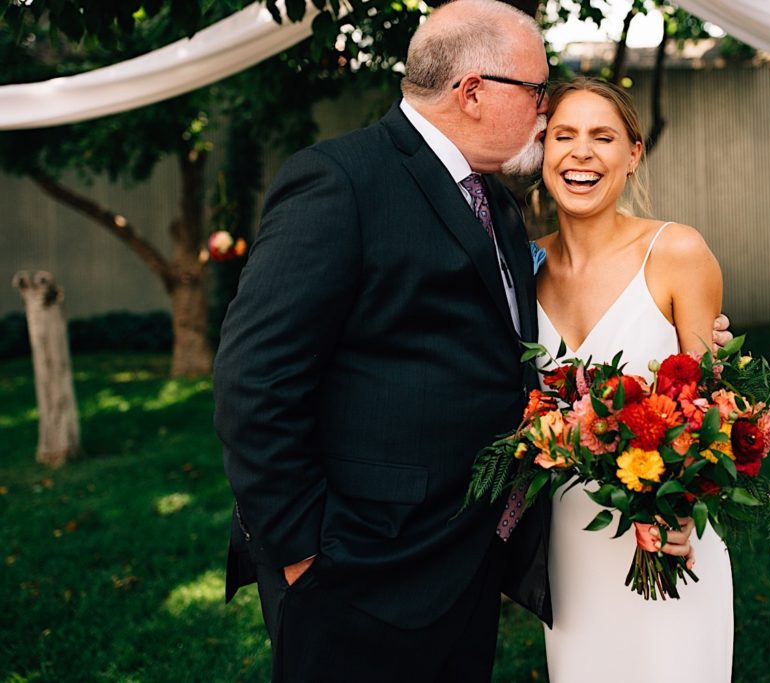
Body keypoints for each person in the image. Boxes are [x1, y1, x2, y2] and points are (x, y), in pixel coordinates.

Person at [215, 0, 730, 679]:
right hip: (356, 570)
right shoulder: (342, 181)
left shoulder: (499, 213)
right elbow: (255, 379)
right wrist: (301, 553)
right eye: (539, 93)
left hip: (463, 567)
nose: (546, 117)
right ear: (474, 91)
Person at [534, 77, 734, 681]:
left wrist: (682, 508)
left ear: (634, 153)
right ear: (542, 149)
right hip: (568, 555)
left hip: (670, 540)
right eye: (563, 135)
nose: (581, 153)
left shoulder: (677, 252)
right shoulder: (522, 267)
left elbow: (713, 411)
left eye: (603, 137)